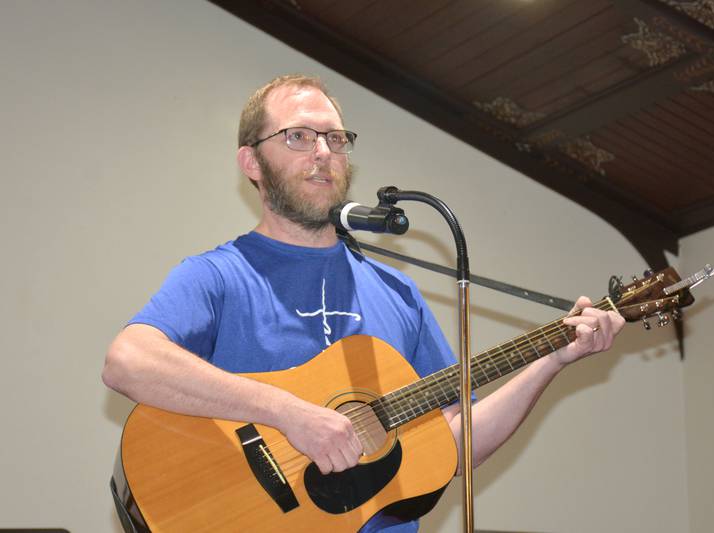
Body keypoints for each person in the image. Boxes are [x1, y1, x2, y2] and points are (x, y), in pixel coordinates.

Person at [102, 74, 626, 532]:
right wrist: (289, 413)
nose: (323, 152)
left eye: (334, 138)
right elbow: (128, 362)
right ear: (252, 161)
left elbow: (454, 445)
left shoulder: (398, 293)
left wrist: (552, 359)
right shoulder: (218, 274)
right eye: (298, 137)